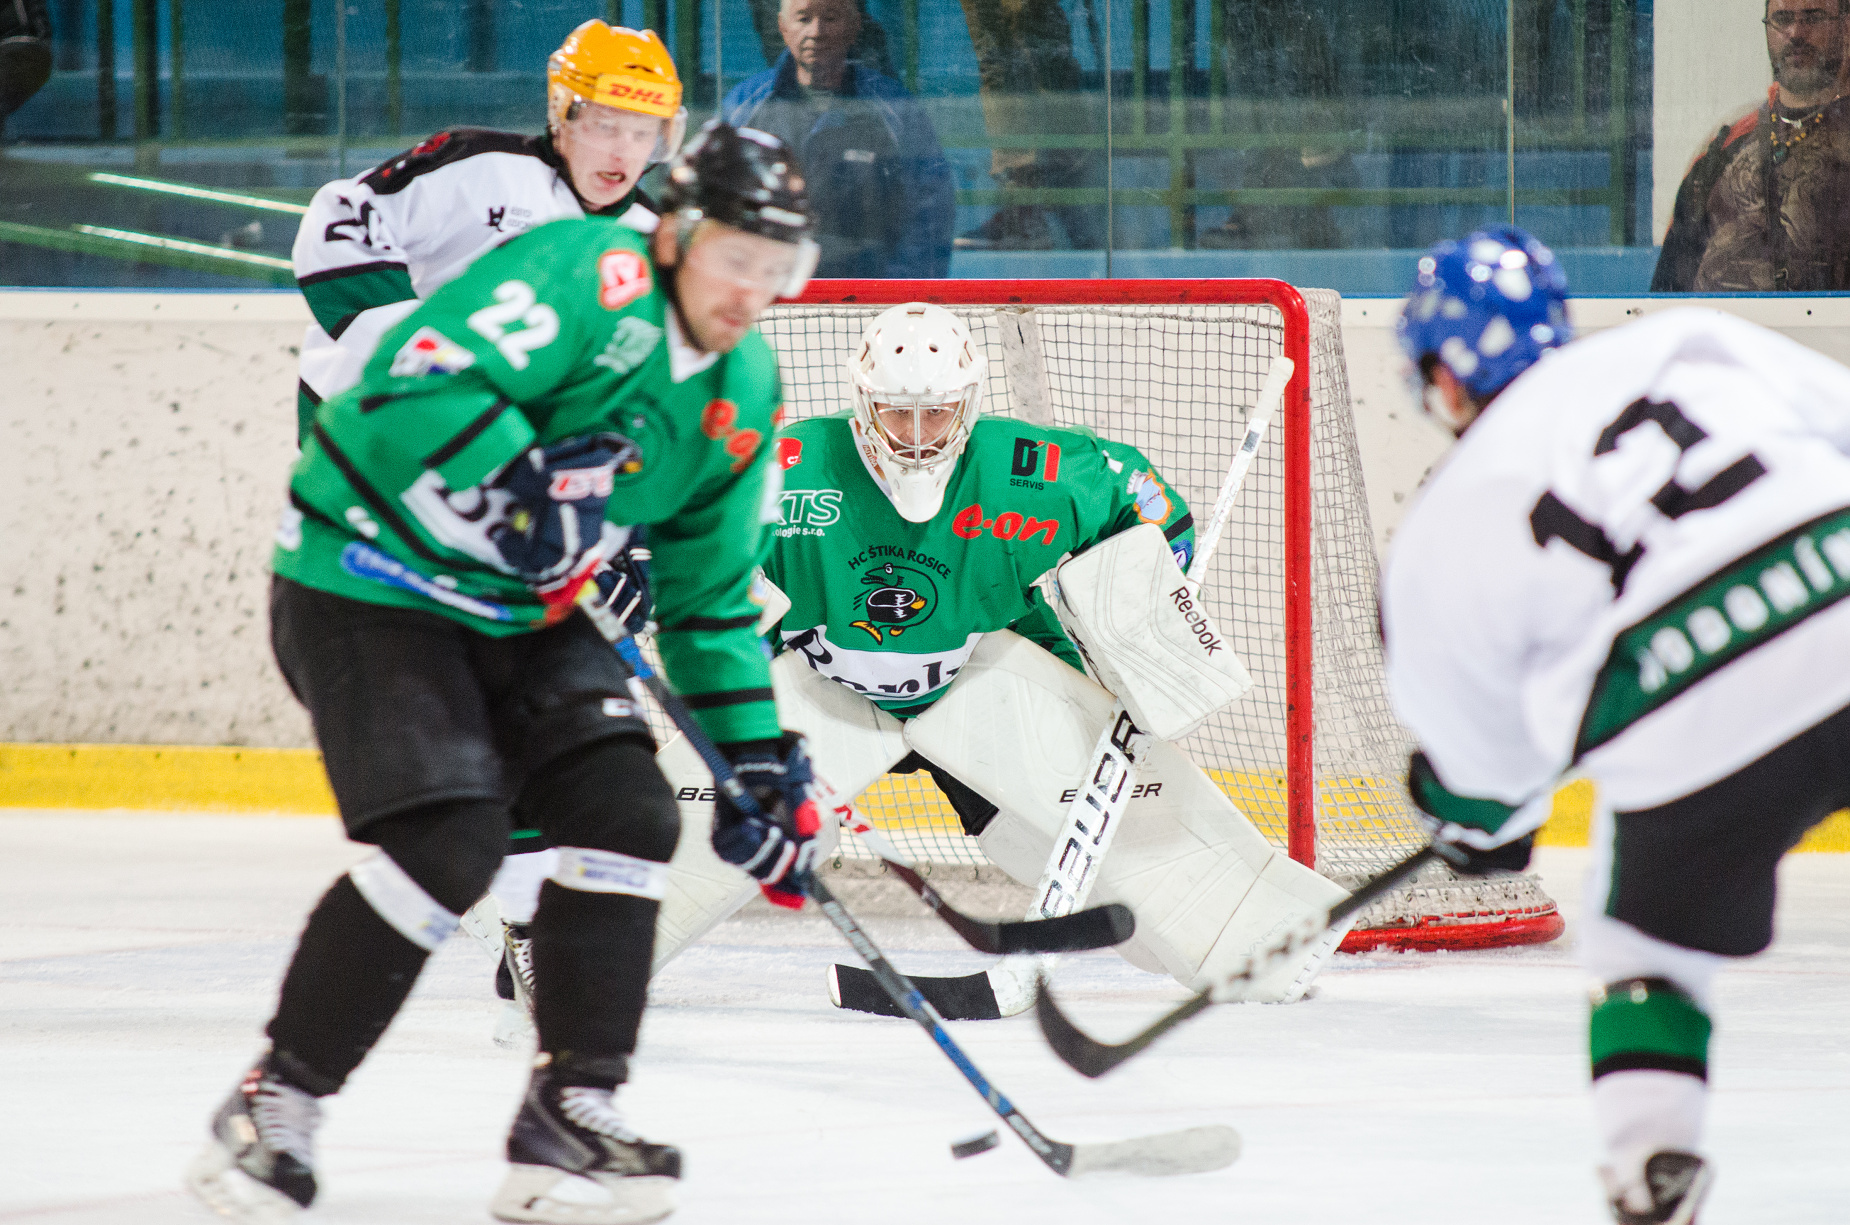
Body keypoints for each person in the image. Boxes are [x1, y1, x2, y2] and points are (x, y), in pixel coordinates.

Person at [185, 123, 826, 1225]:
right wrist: (515, 475)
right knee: (450, 840)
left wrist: (755, 759)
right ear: (676, 233)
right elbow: (403, 384)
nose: (750, 293)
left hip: (520, 612)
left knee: (627, 812)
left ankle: (569, 1116)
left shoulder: (744, 384)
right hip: (366, 580)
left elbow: (709, 597)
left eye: (778, 273)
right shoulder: (583, 273)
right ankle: (272, 1103)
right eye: (734, 258)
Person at [629, 301, 1349, 1019]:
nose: (915, 438)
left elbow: (1140, 496)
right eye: (895, 415)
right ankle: (584, 949)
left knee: (1131, 842)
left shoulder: (1029, 471)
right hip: (825, 683)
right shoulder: (788, 469)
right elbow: (696, 550)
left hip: (982, 674)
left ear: (967, 406)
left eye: (935, 415)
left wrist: (1152, 594)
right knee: (701, 822)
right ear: (862, 405)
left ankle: (1266, 940)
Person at [1387, 225, 1850, 1222]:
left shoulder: (1446, 517)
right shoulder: (1683, 343)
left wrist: (1472, 823)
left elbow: (1485, 773)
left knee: (1641, 952)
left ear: (1440, 376)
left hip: (1697, 718)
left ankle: (1650, 1171)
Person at [291, 19, 687, 440]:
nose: (624, 152)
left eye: (643, 134)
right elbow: (341, 217)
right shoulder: (476, 164)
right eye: (605, 125)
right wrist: (417, 347)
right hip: (367, 418)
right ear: (562, 114)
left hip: (491, 454)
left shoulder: (648, 237)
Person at [722, 0, 954, 278]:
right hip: (770, 292)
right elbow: (717, 203)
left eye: (831, 18)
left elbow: (930, 208)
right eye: (803, 18)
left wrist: (902, 292)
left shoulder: (895, 107)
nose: (817, 32)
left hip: (871, 295)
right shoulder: (745, 106)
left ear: (854, 26)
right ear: (783, 27)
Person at [1653, 0, 1850, 291]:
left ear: (1846, 26)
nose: (1796, 32)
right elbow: (1666, 295)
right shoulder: (1724, 147)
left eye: (1814, 17)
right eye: (1782, 18)